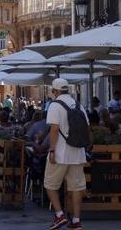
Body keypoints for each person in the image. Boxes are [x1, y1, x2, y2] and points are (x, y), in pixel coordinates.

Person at [45, 79, 88, 230]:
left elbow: (54, 129)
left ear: (55, 91)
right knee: (76, 188)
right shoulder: (78, 105)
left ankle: (59, 215)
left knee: (50, 185)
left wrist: (52, 150)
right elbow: (87, 128)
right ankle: (76, 220)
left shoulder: (55, 105)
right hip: (78, 153)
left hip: (60, 153)